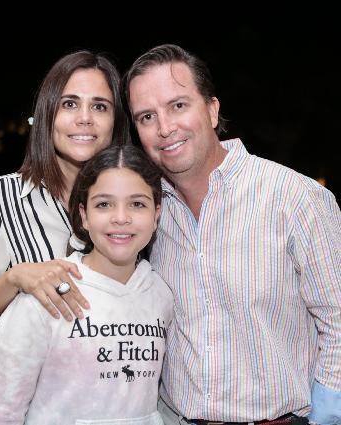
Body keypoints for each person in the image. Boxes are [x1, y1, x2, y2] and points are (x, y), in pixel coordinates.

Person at [64, 45, 341, 423]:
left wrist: (326, 418)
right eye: (147, 116)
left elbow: (337, 322)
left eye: (178, 105)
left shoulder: (294, 198)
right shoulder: (147, 211)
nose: (165, 128)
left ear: (212, 110)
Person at [0, 50, 128, 340]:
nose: (85, 118)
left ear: (115, 121)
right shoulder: (1, 196)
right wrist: (14, 279)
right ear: (48, 114)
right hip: (33, 370)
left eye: (99, 106)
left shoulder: (136, 201)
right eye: (69, 104)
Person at [0, 144, 173, 424]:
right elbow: (5, 413)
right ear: (84, 215)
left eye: (137, 204)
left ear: (156, 215)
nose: (121, 218)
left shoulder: (161, 294)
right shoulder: (44, 295)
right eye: (104, 204)